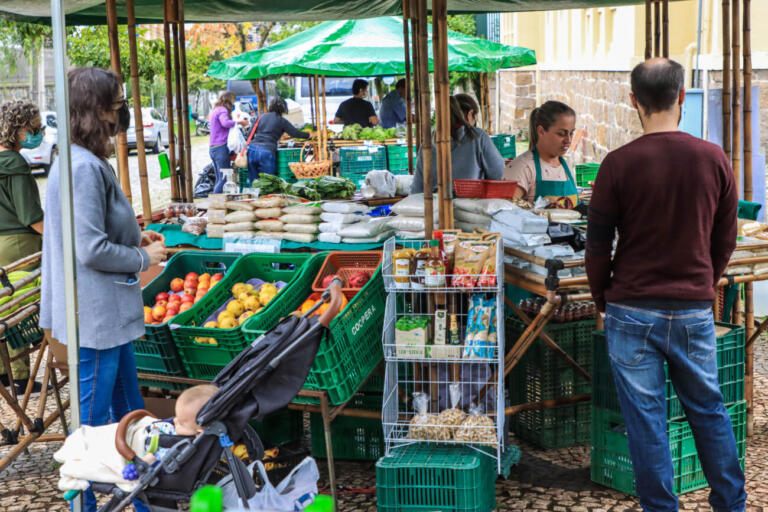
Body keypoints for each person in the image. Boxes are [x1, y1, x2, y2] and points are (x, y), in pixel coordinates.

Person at [586, 58, 745, 512]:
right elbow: (726, 238)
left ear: (633, 100)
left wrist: (602, 296)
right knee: (709, 410)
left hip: (631, 309)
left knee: (646, 421)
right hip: (693, 308)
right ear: (681, 97)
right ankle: (731, 504)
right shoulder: (713, 158)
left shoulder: (617, 164)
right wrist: (705, 281)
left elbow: (597, 246)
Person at [39, 67, 168, 512]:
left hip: (108, 316)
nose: (121, 113)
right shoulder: (80, 167)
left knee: (132, 416)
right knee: (91, 432)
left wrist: (135, 237)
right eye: (116, 104)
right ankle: (86, 506)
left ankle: (146, 500)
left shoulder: (80, 160)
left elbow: (92, 232)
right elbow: (90, 249)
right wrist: (142, 258)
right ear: (94, 110)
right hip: (95, 318)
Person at [54, 384, 218, 493]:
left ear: (199, 431)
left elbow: (154, 456)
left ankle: (81, 456)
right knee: (94, 437)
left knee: (95, 447)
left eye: (181, 422)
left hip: (138, 446)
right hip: (139, 431)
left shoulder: (178, 445)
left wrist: (138, 466)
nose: (174, 421)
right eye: (176, 417)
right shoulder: (187, 433)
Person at [0, 100, 46, 394]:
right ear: (17, 130)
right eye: (34, 128)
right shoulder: (15, 164)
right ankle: (19, 377)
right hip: (19, 243)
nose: (38, 134)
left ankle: (4, 375)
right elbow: (31, 216)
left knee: (2, 310)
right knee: (20, 309)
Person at [411, 95, 503, 194]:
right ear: (470, 114)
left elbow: (416, 190)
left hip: (436, 203)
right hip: (473, 202)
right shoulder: (478, 137)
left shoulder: (426, 145)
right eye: (475, 120)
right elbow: (500, 176)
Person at [503, 100, 578, 208]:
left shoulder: (567, 168)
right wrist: (541, 208)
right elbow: (506, 210)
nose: (568, 140)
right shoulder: (522, 168)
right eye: (561, 134)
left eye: (571, 133)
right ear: (541, 131)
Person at [246, 97, 310, 183]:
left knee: (254, 182)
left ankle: (254, 192)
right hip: (266, 151)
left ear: (271, 106)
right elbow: (295, 133)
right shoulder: (281, 121)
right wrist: (309, 135)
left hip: (252, 150)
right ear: (283, 108)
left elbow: (249, 134)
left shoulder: (261, 117)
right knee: (268, 182)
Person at [209, 91, 248, 193]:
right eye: (233, 100)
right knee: (224, 179)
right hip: (220, 148)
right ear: (229, 100)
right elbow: (225, 123)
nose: (234, 103)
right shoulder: (222, 110)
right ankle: (215, 200)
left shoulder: (216, 109)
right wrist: (239, 122)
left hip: (213, 148)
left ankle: (216, 199)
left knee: (219, 178)